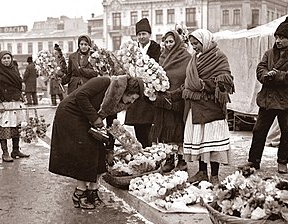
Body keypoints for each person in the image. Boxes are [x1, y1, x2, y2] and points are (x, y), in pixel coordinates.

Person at [49, 75, 144, 209]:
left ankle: (93, 191)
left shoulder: (117, 100)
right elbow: (81, 96)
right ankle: (80, 193)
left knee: (99, 150)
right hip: (70, 114)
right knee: (86, 150)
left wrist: (109, 147)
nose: (131, 102)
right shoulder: (104, 82)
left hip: (86, 118)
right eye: (132, 98)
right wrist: (96, 120)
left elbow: (111, 123)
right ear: (126, 91)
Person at [240, 16, 288, 174]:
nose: (278, 41)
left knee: (286, 133)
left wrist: (278, 75)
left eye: (282, 37)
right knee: (259, 130)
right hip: (267, 98)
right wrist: (265, 75)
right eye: (276, 37)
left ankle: (282, 161)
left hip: (285, 100)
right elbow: (260, 68)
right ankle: (253, 160)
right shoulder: (269, 53)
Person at [182, 29, 234, 185]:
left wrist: (207, 85)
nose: (194, 47)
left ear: (205, 41)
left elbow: (226, 79)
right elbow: (189, 78)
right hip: (197, 105)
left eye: (196, 44)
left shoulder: (219, 56)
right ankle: (202, 172)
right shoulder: (194, 58)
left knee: (213, 140)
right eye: (192, 44)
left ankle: (215, 175)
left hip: (212, 106)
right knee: (200, 140)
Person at [150, 30, 191, 172]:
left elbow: (188, 79)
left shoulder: (186, 57)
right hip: (163, 100)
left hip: (178, 101)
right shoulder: (162, 57)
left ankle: (182, 160)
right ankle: (169, 159)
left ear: (177, 42)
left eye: (171, 41)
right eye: (166, 42)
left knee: (178, 131)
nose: (168, 44)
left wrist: (175, 93)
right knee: (166, 132)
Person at [124, 18, 161, 148]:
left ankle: (150, 151)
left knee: (148, 125)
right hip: (135, 90)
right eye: (139, 34)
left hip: (149, 91)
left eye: (144, 34)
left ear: (149, 34)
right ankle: (142, 152)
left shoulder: (156, 48)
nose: (141, 37)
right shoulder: (132, 49)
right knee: (137, 124)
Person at [0, 51, 30, 162]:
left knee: (16, 126)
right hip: (4, 103)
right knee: (4, 128)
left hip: (16, 101)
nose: (6, 60)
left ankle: (15, 150)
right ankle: (5, 153)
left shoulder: (14, 69)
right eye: (4, 58)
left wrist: (22, 95)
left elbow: (18, 84)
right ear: (0, 60)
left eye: (8, 58)